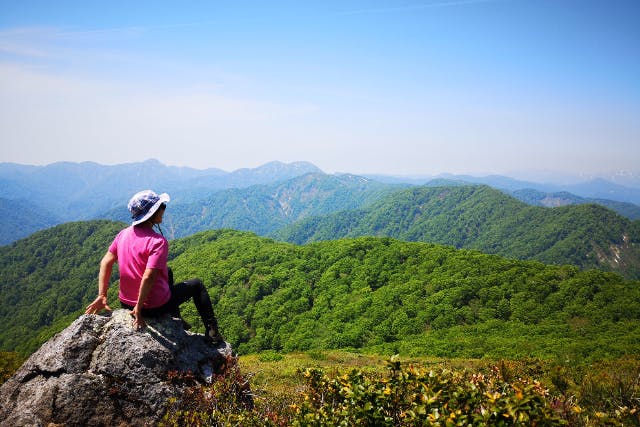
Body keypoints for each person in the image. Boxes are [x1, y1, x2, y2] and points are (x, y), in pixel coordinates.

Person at [85, 189, 224, 345]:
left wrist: (102, 295)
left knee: (167, 270)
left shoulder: (123, 234)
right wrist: (138, 308)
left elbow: (105, 262)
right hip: (152, 307)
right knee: (197, 285)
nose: (164, 209)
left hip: (125, 303)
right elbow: (149, 276)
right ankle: (212, 333)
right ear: (152, 213)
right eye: (161, 206)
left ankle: (175, 318)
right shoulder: (157, 242)